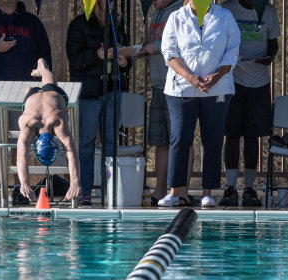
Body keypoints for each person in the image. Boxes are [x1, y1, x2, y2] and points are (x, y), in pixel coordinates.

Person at [158, 0, 240, 207]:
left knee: (212, 141)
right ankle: (175, 192)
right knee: (180, 139)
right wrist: (191, 77)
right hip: (181, 89)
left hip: (217, 89)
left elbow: (232, 51)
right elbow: (169, 52)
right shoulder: (176, 17)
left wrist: (218, 75)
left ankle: (208, 193)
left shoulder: (225, 16)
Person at [66, 0, 133, 206]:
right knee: (86, 142)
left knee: (110, 142)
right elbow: (74, 58)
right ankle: (85, 190)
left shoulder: (117, 24)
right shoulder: (79, 24)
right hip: (88, 92)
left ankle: (109, 190)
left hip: (112, 89)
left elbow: (126, 52)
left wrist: (125, 62)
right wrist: (97, 54)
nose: (111, 3)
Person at [219, 0, 280, 207]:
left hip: (259, 81)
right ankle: (230, 187)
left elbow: (274, 44)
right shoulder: (228, 8)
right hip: (232, 79)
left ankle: (249, 187)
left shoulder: (268, 10)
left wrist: (268, 58)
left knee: (253, 136)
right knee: (232, 134)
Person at [139, 0, 199, 206]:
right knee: (161, 141)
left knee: (182, 140)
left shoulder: (181, 12)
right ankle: (160, 189)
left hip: (176, 86)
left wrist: (150, 48)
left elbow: (178, 43)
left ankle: (182, 191)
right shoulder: (158, 13)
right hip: (158, 85)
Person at [0, 0, 52, 199]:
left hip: (24, 96)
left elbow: (44, 58)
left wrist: (41, 77)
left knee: (21, 144)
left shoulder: (32, 23)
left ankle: (20, 191)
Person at [17, 58, 80, 202]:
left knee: (50, 83)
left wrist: (24, 183)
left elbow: (71, 151)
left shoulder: (56, 121)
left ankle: (43, 68)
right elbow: (71, 151)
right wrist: (25, 183)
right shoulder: (30, 124)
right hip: (30, 97)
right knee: (44, 86)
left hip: (52, 94)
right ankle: (42, 68)